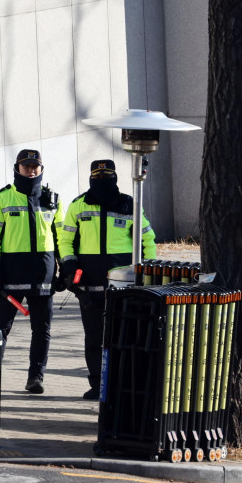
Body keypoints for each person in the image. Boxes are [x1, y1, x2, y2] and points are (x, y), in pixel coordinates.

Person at [58, 160, 156, 399]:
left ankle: (124, 385)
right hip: (89, 287)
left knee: (126, 337)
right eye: (97, 176)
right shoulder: (78, 205)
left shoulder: (129, 205)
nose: (102, 180)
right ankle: (98, 385)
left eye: (106, 176)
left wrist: (148, 273)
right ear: (91, 178)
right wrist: (70, 268)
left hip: (124, 287)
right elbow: (65, 241)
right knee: (94, 338)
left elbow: (148, 240)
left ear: (115, 177)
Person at [0, 150, 65, 395]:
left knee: (42, 330)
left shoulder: (53, 200)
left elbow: (63, 238)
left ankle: (36, 378)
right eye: (26, 166)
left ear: (42, 169)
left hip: (43, 276)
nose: (31, 170)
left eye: (35, 166)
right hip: (10, 276)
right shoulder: (1, 199)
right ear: (17, 168)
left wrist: (66, 268)